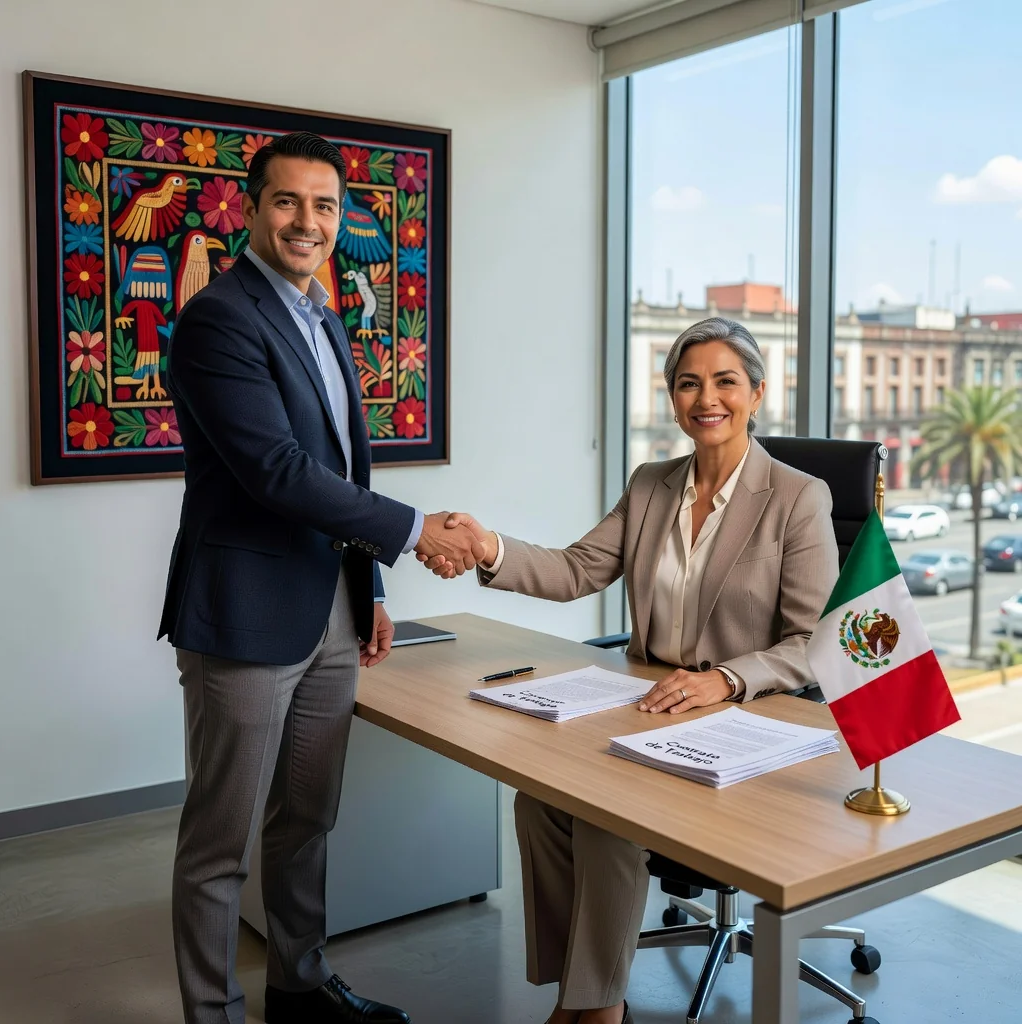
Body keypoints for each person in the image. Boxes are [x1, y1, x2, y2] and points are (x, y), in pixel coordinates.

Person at [420, 317, 839, 1024]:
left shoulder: (798, 497)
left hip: (745, 718)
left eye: (725, 381)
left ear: (758, 392)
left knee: (609, 815)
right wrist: (488, 545)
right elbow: (576, 568)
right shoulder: (651, 485)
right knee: (541, 798)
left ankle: (598, 1008)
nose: (707, 398)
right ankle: (578, 993)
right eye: (688, 383)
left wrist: (727, 678)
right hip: (650, 702)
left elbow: (816, 641)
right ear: (672, 399)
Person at [159, 131, 481, 1024]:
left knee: (307, 819)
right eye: (289, 202)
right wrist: (417, 534)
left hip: (330, 610)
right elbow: (276, 470)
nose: (309, 222)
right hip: (245, 612)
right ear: (255, 208)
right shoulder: (219, 318)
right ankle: (211, 1013)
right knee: (220, 841)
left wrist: (369, 587)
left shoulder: (323, 316)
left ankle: (298, 989)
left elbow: (343, 470)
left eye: (326, 206)